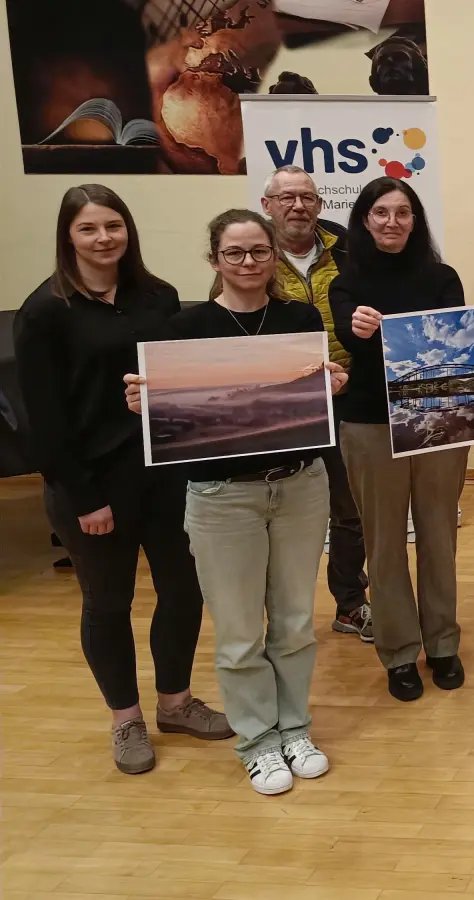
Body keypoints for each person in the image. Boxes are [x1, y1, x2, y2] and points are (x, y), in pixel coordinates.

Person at [122, 209, 346, 795]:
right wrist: (150, 406)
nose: (248, 263)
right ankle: (257, 740)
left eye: (259, 252)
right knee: (241, 630)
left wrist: (330, 387)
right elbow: (170, 415)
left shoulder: (299, 318)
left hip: (300, 485)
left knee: (296, 620)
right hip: (222, 496)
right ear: (214, 259)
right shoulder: (181, 330)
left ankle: (294, 726)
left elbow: (308, 403)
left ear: (275, 255)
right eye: (235, 253)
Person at [13, 184, 231, 775]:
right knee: (108, 603)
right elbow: (43, 419)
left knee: (183, 591)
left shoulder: (156, 296)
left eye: (113, 226)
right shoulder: (44, 312)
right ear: (68, 237)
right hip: (92, 486)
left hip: (163, 475)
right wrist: (83, 495)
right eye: (89, 229)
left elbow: (182, 382)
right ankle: (126, 718)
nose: (104, 238)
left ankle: (176, 702)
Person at [330, 177, 468, 702]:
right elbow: (347, 336)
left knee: (439, 536)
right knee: (385, 544)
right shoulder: (346, 283)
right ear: (364, 219)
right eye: (381, 212)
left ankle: (443, 643)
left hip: (439, 418)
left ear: (416, 220)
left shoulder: (442, 276)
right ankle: (398, 651)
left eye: (403, 212)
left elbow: (455, 341)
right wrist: (358, 328)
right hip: (369, 424)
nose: (392, 222)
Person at [259, 164, 372, 643]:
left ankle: (350, 604)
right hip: (282, 409)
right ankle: (284, 616)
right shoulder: (252, 254)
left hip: (348, 398)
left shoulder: (349, 249)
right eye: (286, 198)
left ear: (320, 204)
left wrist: (351, 376)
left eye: (306, 197)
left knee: (351, 510)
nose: (298, 206)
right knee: (278, 511)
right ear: (267, 205)